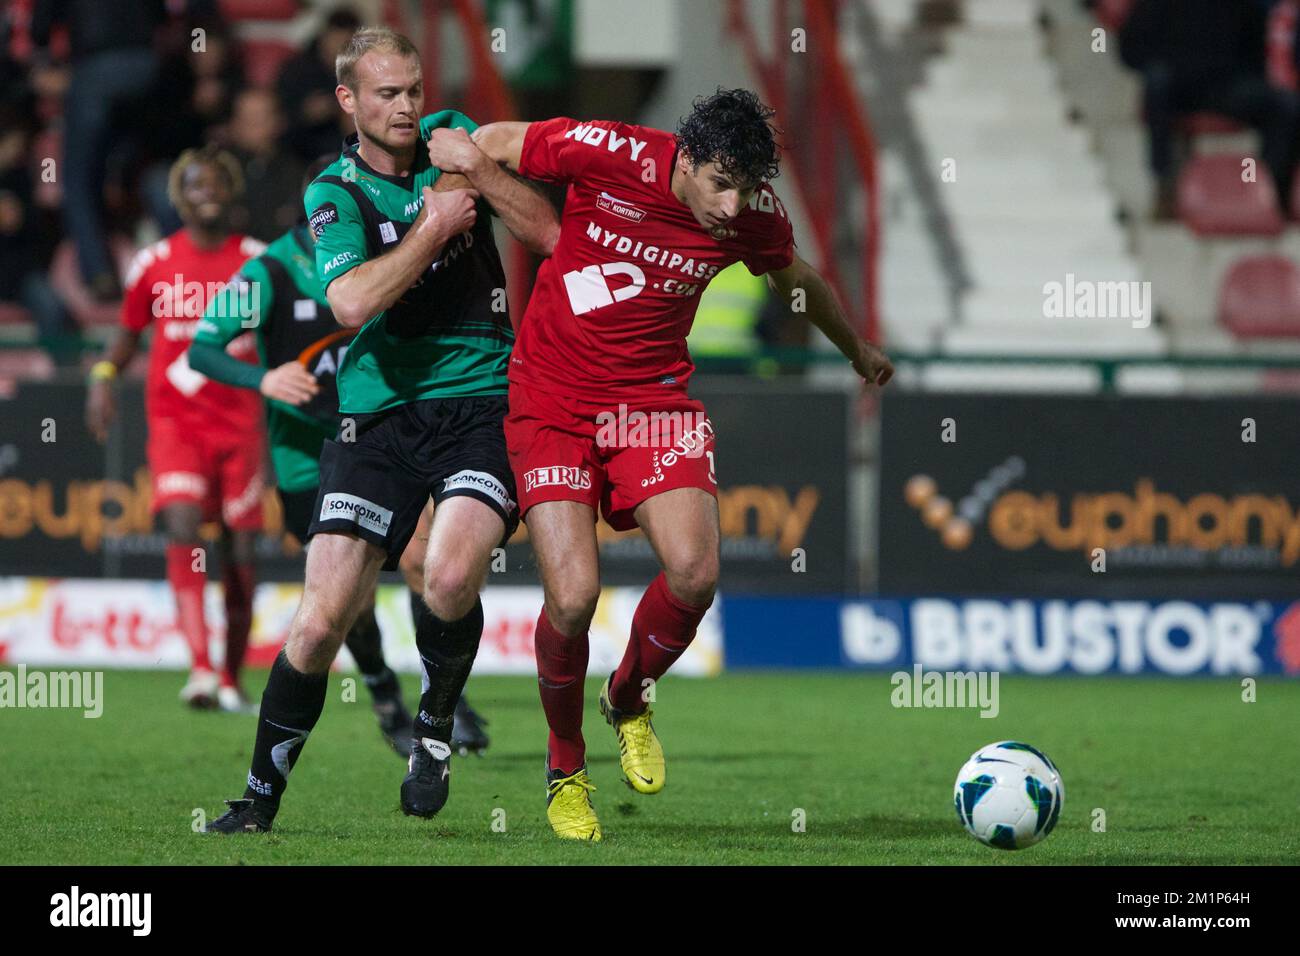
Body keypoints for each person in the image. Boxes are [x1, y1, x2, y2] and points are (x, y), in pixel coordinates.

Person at [432, 88, 893, 841]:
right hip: (551, 402)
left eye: (747, 188)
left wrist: (857, 350)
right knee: (574, 598)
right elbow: (496, 139)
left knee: (695, 573)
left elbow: (796, 282)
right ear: (683, 160)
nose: (734, 204)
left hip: (651, 405)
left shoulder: (751, 216)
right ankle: (565, 768)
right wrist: (455, 186)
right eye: (721, 183)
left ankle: (628, 697)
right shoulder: (610, 151)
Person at [202, 26, 557, 834]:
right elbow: (353, 302)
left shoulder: (455, 142)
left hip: (480, 403)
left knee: (446, 576)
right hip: (377, 417)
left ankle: (431, 727)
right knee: (321, 617)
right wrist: (432, 227)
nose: (405, 107)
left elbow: (550, 234)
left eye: (412, 90)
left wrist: (482, 174)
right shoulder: (335, 193)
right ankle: (258, 800)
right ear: (348, 101)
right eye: (386, 94)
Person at [188, 157, 491, 758]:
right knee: (345, 603)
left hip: (381, 441)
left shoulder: (384, 255)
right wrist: (264, 379)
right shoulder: (272, 272)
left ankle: (440, 703)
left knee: (422, 560)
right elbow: (203, 349)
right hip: (307, 459)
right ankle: (384, 695)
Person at [85, 145, 267, 712]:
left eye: (215, 182)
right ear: (179, 197)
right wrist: (103, 375)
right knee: (183, 526)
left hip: (242, 424)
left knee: (240, 549)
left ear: (230, 190)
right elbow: (128, 331)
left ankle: (233, 677)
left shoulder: (260, 261)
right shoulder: (153, 262)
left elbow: (291, 331)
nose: (205, 191)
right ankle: (200, 667)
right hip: (176, 423)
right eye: (193, 184)